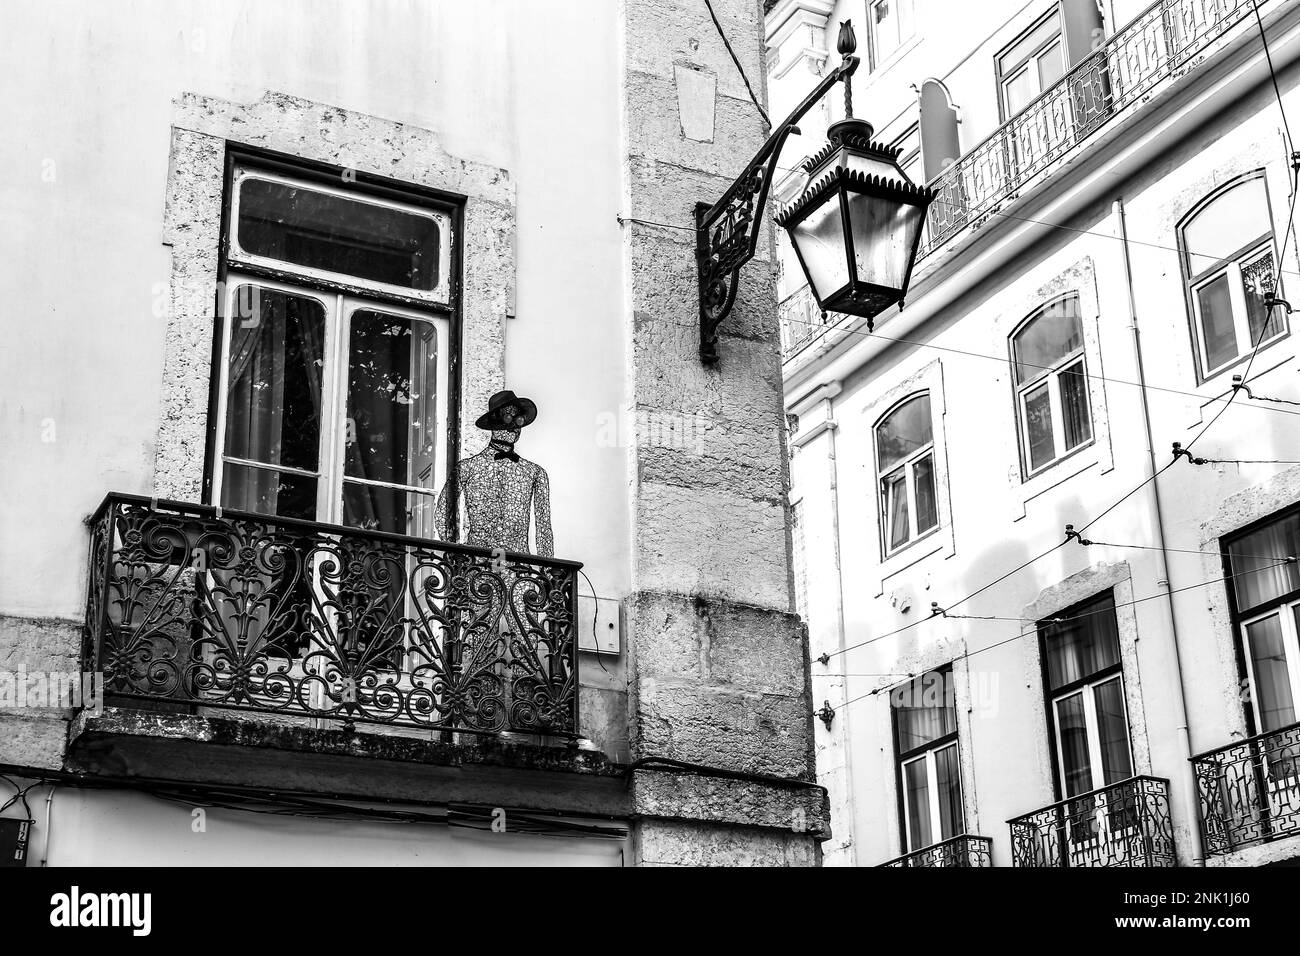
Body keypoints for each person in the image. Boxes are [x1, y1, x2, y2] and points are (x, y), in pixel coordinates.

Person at [434, 389, 553, 557]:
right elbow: (442, 514)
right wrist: (456, 554)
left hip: (519, 571)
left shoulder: (535, 473)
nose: (514, 428)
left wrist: (549, 573)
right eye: (508, 417)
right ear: (494, 423)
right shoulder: (467, 468)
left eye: (518, 420)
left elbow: (544, 528)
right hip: (478, 567)